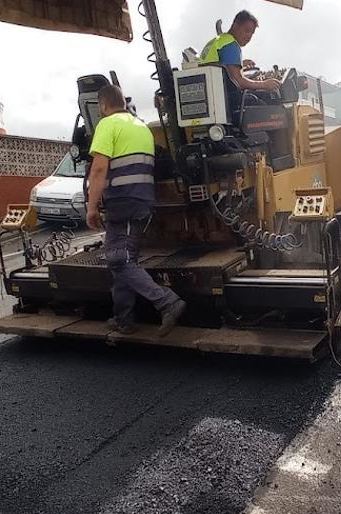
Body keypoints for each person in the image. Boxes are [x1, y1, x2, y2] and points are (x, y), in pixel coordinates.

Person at [84, 85, 186, 336]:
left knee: (120, 260)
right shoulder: (140, 126)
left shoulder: (107, 124)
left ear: (103, 105)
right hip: (141, 202)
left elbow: (98, 170)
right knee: (123, 261)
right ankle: (124, 319)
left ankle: (168, 302)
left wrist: (91, 207)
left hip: (123, 203)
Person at [200, 10, 281, 92]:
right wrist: (264, 84)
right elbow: (238, 81)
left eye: (251, 33)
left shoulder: (218, 41)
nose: (248, 37)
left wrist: (240, 64)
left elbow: (220, 67)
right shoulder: (230, 44)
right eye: (246, 30)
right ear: (235, 25)